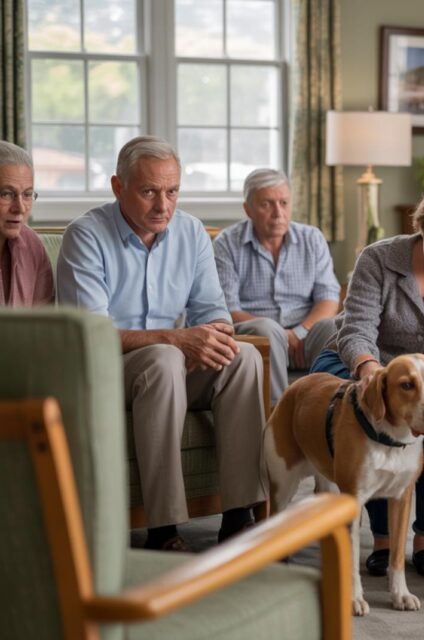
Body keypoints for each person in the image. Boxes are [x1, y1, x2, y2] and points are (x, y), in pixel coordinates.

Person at [56, 136, 265, 552]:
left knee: (243, 357)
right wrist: (176, 339)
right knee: (164, 358)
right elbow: (90, 335)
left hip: (171, 367)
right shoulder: (86, 235)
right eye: (149, 191)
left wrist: (210, 338)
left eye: (172, 192)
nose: (163, 205)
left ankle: (239, 516)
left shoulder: (191, 232)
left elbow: (214, 314)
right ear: (118, 187)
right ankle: (163, 528)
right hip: (106, 371)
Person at [309, 179, 424, 578]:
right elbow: (357, 329)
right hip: (361, 361)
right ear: (423, 225)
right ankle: (384, 540)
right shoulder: (379, 258)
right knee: (377, 420)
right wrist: (370, 371)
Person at [213, 168, 340, 405]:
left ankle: (331, 410)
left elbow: (329, 297)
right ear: (248, 209)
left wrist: (298, 332)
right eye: (266, 204)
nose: (278, 213)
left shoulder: (312, 238)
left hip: (305, 336)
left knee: (333, 326)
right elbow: (227, 308)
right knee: (268, 330)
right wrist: (281, 336)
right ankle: (277, 414)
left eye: (283, 203)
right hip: (259, 336)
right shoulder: (226, 244)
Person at [0, 141, 53, 306]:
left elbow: (44, 318)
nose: (20, 208)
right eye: (7, 194)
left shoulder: (32, 246)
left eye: (27, 194)